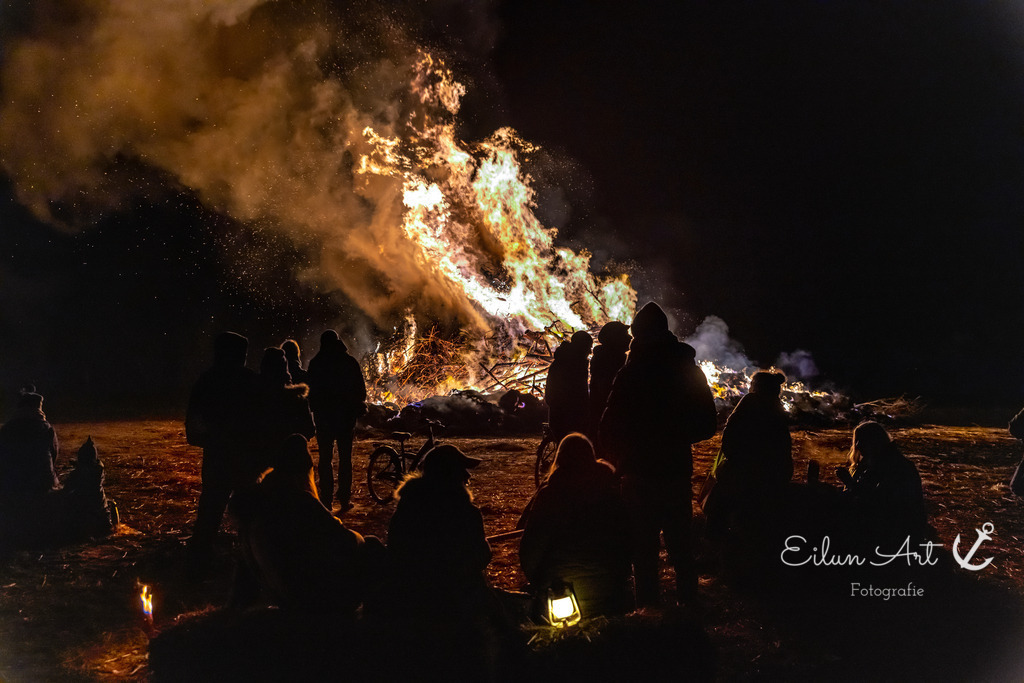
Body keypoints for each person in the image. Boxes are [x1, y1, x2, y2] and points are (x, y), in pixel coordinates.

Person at [599, 302, 717, 607]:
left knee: (643, 549)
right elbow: (707, 423)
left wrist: (622, 457)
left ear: (639, 335)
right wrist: (676, 437)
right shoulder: (686, 369)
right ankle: (688, 609)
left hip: (639, 475)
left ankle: (648, 613)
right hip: (675, 471)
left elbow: (608, 426)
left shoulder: (630, 373)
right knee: (681, 547)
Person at [230, 434, 371, 614]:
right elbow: (345, 540)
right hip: (308, 597)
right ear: (304, 470)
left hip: (284, 596)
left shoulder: (259, 502)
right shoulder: (298, 501)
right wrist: (359, 539)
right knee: (370, 545)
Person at [519, 433, 631, 620]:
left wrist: (539, 584)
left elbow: (531, 549)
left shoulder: (551, 495)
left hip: (562, 591)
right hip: (608, 589)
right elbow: (627, 541)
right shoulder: (611, 493)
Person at [385, 444, 492, 619]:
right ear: (450, 475)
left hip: (407, 597)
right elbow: (480, 556)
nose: (468, 475)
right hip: (453, 602)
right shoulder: (467, 514)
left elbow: (395, 552)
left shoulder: (406, 509)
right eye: (461, 470)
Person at [185, 331, 258, 573]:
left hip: (219, 457)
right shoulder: (250, 381)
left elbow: (193, 426)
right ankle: (252, 559)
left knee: (212, 507)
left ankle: (199, 557)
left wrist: (211, 438)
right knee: (247, 511)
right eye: (242, 354)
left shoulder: (208, 381)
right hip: (242, 458)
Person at [705, 371, 792, 540]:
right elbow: (784, 447)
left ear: (756, 387)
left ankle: (715, 550)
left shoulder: (750, 403)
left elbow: (730, 438)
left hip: (742, 474)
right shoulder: (777, 409)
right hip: (771, 476)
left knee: (721, 512)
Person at [837, 421, 928, 545]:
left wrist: (850, 483)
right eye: (856, 441)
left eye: (862, 440)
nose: (857, 445)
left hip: (897, 532)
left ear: (874, 441)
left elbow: (877, 502)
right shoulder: (874, 462)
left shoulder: (895, 466)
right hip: (891, 526)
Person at [306, 330, 366, 512]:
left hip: (324, 420)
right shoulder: (349, 362)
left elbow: (311, 394)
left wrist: (317, 410)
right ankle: (344, 499)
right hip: (345, 419)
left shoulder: (316, 364)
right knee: (345, 459)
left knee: (325, 460)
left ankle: (326, 501)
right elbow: (361, 392)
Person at [255, 347, 315, 475]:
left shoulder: (253, 397)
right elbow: (309, 429)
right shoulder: (297, 399)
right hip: (290, 461)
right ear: (285, 369)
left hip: (260, 460)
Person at [0, 389, 59, 501]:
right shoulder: (46, 428)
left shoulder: (7, 428)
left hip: (11, 484)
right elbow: (54, 452)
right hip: (42, 483)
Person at [61, 436, 116, 540]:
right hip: (102, 520)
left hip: (84, 521)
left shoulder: (78, 475)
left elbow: (67, 491)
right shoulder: (98, 472)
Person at [544, 330, 592, 443]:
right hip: (567, 416)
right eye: (588, 347)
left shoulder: (567, 362)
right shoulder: (571, 365)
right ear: (581, 346)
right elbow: (576, 392)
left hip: (563, 414)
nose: (590, 351)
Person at [589, 321, 631, 442]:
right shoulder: (608, 360)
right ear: (614, 338)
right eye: (625, 334)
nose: (629, 337)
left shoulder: (611, 357)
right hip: (607, 421)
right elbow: (607, 392)